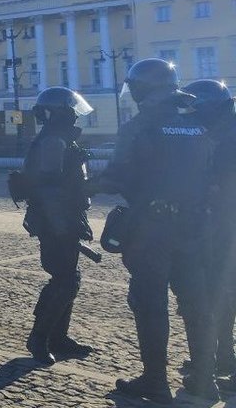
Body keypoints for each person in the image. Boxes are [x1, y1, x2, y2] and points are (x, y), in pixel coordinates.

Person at [93, 58, 216, 403]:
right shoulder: (196, 122)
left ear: (140, 89)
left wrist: (85, 186)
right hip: (193, 226)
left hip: (153, 229)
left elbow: (117, 176)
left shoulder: (140, 125)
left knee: (149, 303)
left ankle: (155, 381)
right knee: (196, 302)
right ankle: (205, 381)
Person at [21, 87, 94, 365]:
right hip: (56, 220)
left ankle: (58, 337)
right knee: (64, 281)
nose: (76, 116)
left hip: (65, 217)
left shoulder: (59, 138)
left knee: (69, 279)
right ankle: (39, 338)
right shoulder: (53, 141)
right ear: (63, 112)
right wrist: (63, 225)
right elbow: (49, 187)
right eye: (72, 111)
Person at [180, 79, 236, 387]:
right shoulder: (224, 129)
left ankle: (225, 362)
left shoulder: (227, 137)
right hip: (223, 228)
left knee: (220, 296)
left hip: (224, 229)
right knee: (221, 297)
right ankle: (223, 356)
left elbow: (216, 184)